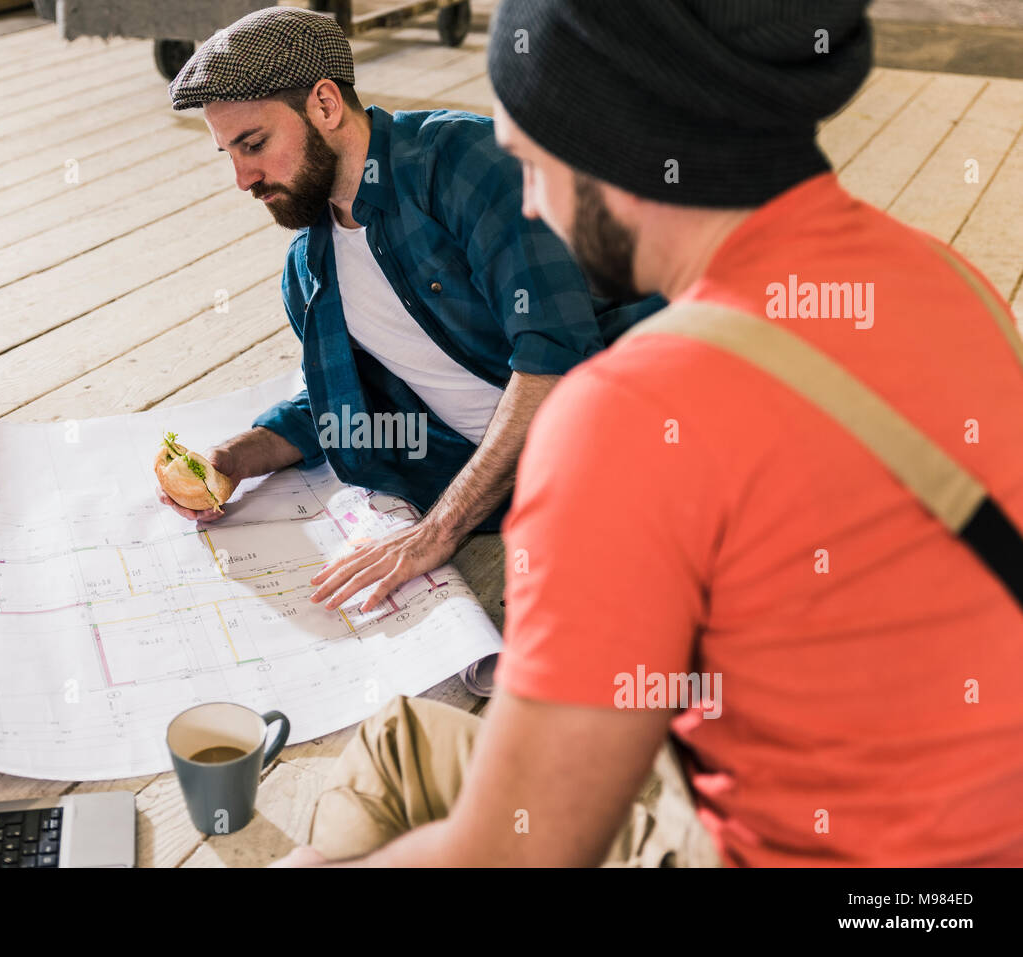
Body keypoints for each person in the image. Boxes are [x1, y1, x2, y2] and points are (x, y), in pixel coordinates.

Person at [276, 0, 1023, 867]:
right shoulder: (955, 280)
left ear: (611, 146)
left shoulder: (632, 416)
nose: (531, 208)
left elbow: (519, 849)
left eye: (528, 164)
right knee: (403, 746)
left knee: (378, 778)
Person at [164, 6, 662, 615]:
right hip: (500, 492)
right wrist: (231, 460)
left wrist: (436, 533)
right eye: (227, 153)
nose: (243, 178)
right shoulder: (309, 272)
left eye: (255, 143)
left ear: (324, 104)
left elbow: (555, 360)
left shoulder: (465, 164)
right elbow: (340, 398)